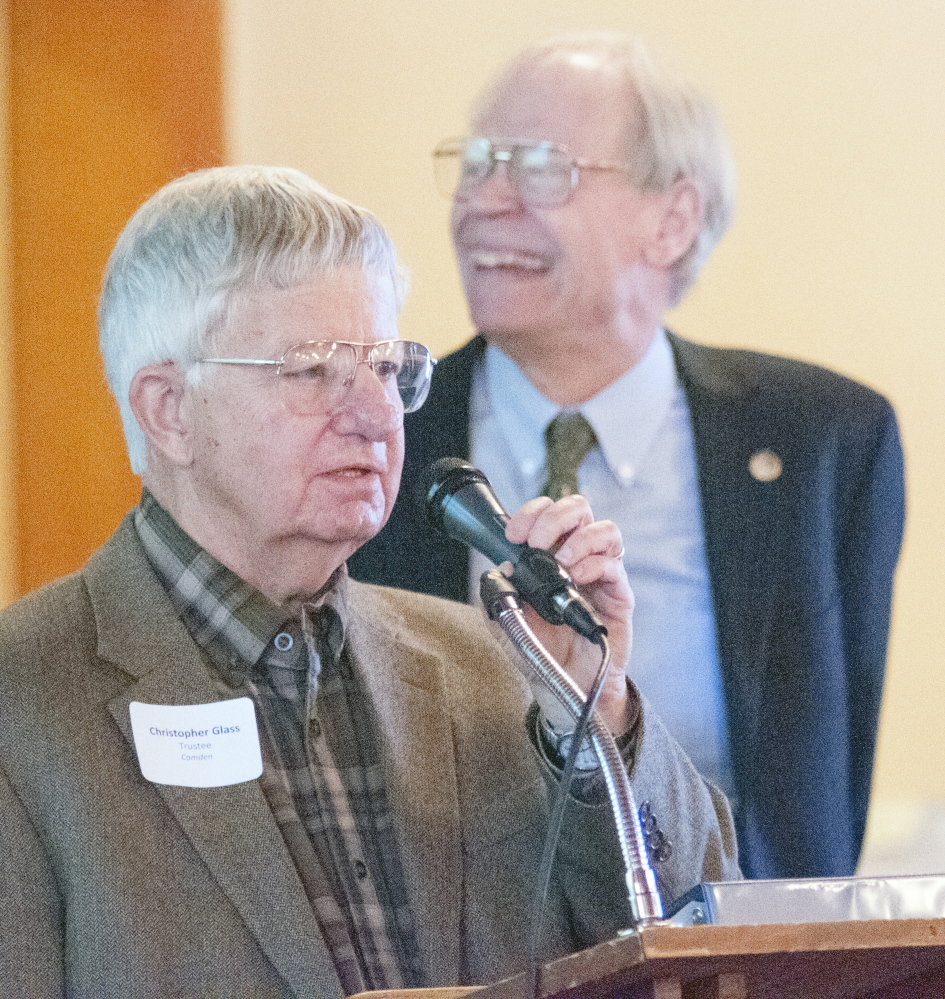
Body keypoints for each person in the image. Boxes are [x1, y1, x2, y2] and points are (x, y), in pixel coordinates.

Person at [0, 165, 738, 998]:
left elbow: (705, 942)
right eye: (312, 370)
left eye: (386, 368)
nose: (377, 414)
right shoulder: (21, 704)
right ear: (168, 408)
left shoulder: (498, 664)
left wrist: (592, 716)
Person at [348, 33, 906, 881]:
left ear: (671, 219)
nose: (482, 200)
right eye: (476, 162)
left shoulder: (823, 441)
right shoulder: (380, 431)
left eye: (539, 167)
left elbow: (826, 792)